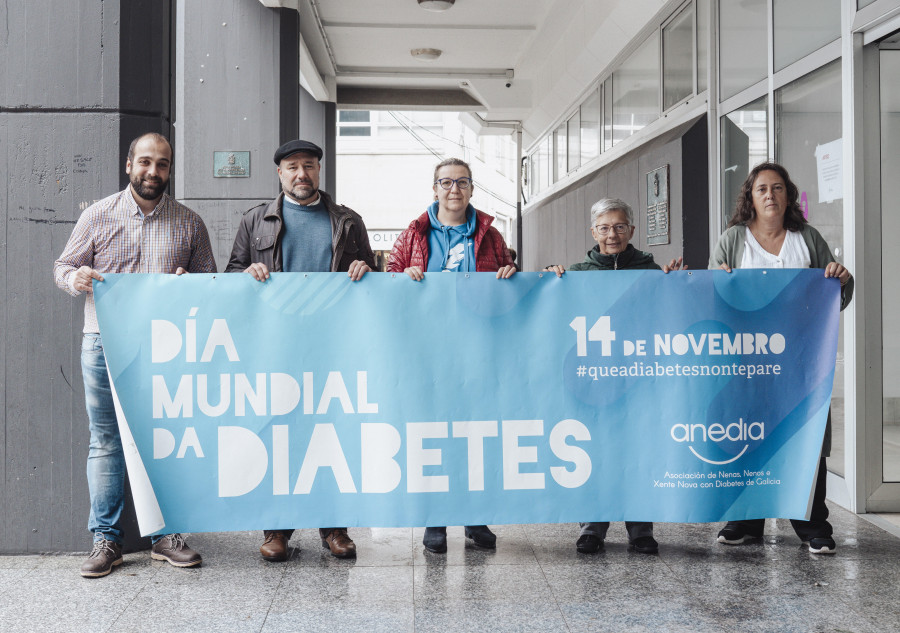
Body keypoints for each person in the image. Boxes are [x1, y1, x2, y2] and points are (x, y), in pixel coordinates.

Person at [53, 132, 216, 577]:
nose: (153, 172)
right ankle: (106, 540)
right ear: (129, 165)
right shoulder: (98, 215)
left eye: (162, 164)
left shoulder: (189, 223)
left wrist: (191, 287)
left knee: (166, 440)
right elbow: (62, 267)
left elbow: (212, 285)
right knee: (105, 442)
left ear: (169, 170)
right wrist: (78, 278)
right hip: (103, 343)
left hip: (167, 346)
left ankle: (167, 535)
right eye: (145, 162)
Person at [225, 139, 376, 562]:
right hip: (277, 346)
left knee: (332, 434)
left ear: (319, 171)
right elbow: (231, 275)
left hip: (333, 346)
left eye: (308, 166)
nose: (301, 174)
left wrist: (365, 269)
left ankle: (334, 528)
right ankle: (278, 528)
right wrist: (247, 273)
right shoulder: (256, 221)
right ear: (280, 173)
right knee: (281, 433)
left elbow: (374, 278)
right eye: (292, 167)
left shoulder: (347, 221)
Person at [710, 161, 853, 555]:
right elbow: (712, 295)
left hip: (800, 364)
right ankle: (746, 520)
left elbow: (837, 287)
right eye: (761, 189)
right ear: (750, 198)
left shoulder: (806, 238)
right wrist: (719, 282)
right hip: (747, 364)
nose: (769, 195)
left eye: (777, 188)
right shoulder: (733, 240)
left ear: (788, 194)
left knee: (803, 439)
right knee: (749, 437)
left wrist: (841, 277)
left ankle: (812, 525)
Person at [387, 157, 516, 553]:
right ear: (434, 188)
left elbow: (509, 277)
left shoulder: (491, 236)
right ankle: (434, 521)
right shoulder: (413, 234)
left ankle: (476, 520)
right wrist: (401, 278)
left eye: (462, 182)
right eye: (446, 182)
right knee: (433, 435)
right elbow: (387, 283)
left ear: (473, 189)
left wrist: (510, 272)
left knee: (475, 435)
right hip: (428, 352)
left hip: (479, 350)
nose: (454, 190)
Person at [544, 197, 685, 555]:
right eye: (604, 228)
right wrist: (550, 282)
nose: (612, 235)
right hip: (595, 380)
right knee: (597, 450)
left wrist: (678, 284)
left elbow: (671, 316)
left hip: (640, 378)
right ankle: (592, 528)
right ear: (593, 232)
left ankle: (641, 529)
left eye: (620, 227)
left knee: (640, 450)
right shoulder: (575, 274)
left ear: (631, 231)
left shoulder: (653, 272)